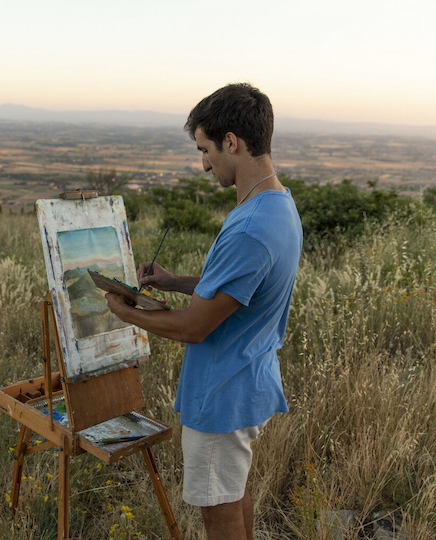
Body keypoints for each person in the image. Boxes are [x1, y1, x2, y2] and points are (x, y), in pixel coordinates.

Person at [105, 83, 302, 540]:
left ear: (231, 141)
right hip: (246, 379)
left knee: (219, 510)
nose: (203, 163)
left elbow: (195, 327)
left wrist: (127, 313)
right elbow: (241, 290)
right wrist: (175, 283)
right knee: (232, 493)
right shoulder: (277, 205)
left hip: (223, 393)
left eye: (205, 149)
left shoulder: (251, 226)